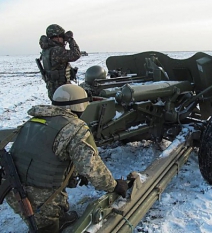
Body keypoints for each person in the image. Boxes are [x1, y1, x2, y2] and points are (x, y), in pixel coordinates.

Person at [5, 84, 128, 232]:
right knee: (47, 227)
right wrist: (114, 185)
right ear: (80, 106)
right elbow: (91, 167)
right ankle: (49, 224)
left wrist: (75, 172)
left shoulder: (34, 121)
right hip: (38, 199)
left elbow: (47, 153)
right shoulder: (74, 127)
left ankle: (56, 218)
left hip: (12, 191)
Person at [39, 24, 81, 100]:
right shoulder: (56, 50)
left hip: (53, 89)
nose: (63, 40)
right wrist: (71, 40)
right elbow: (76, 54)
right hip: (62, 90)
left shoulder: (47, 50)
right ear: (58, 37)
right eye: (62, 37)